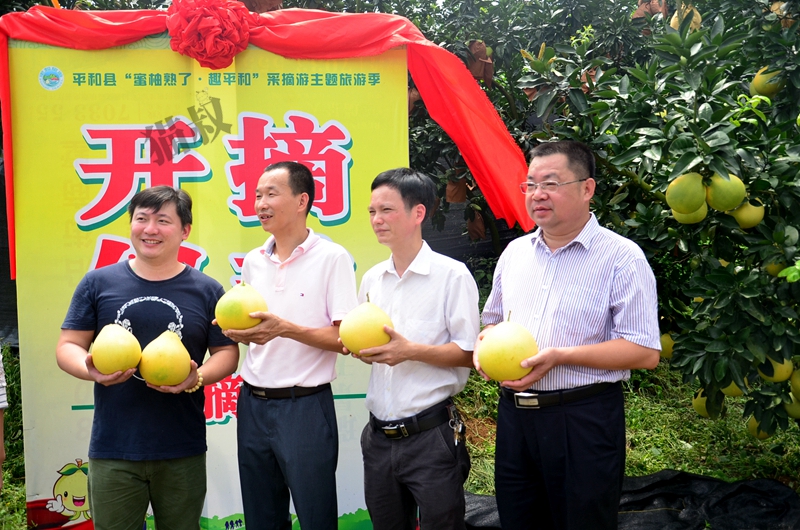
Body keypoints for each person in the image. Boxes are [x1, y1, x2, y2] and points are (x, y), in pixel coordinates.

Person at [475, 140, 660, 530]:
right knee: (518, 518)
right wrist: (484, 347)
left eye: (552, 183)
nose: (537, 194)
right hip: (516, 418)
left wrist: (560, 356)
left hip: (582, 419)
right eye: (530, 184)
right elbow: (492, 321)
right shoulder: (514, 254)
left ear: (587, 188)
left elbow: (643, 351)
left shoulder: (621, 257)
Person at [55, 186, 239, 530]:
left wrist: (196, 378)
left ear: (185, 230)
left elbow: (227, 352)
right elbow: (68, 345)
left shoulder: (206, 289)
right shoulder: (98, 283)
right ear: (131, 225)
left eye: (163, 220)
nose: (150, 229)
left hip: (181, 446)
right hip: (114, 447)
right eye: (141, 219)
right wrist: (90, 369)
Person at [223, 161, 358, 530]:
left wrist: (285, 329)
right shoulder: (253, 261)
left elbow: (344, 339)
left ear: (302, 200)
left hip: (305, 407)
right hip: (252, 403)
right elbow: (254, 326)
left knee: (316, 516)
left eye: (271, 194)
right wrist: (239, 333)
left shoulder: (332, 258)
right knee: (261, 518)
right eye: (256, 195)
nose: (260, 204)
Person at [349, 168, 480, 530]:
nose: (377, 220)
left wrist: (410, 351)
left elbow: (470, 354)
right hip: (378, 438)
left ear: (418, 212)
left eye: (387, 210)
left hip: (431, 436)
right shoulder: (373, 279)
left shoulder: (452, 276)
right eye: (372, 211)